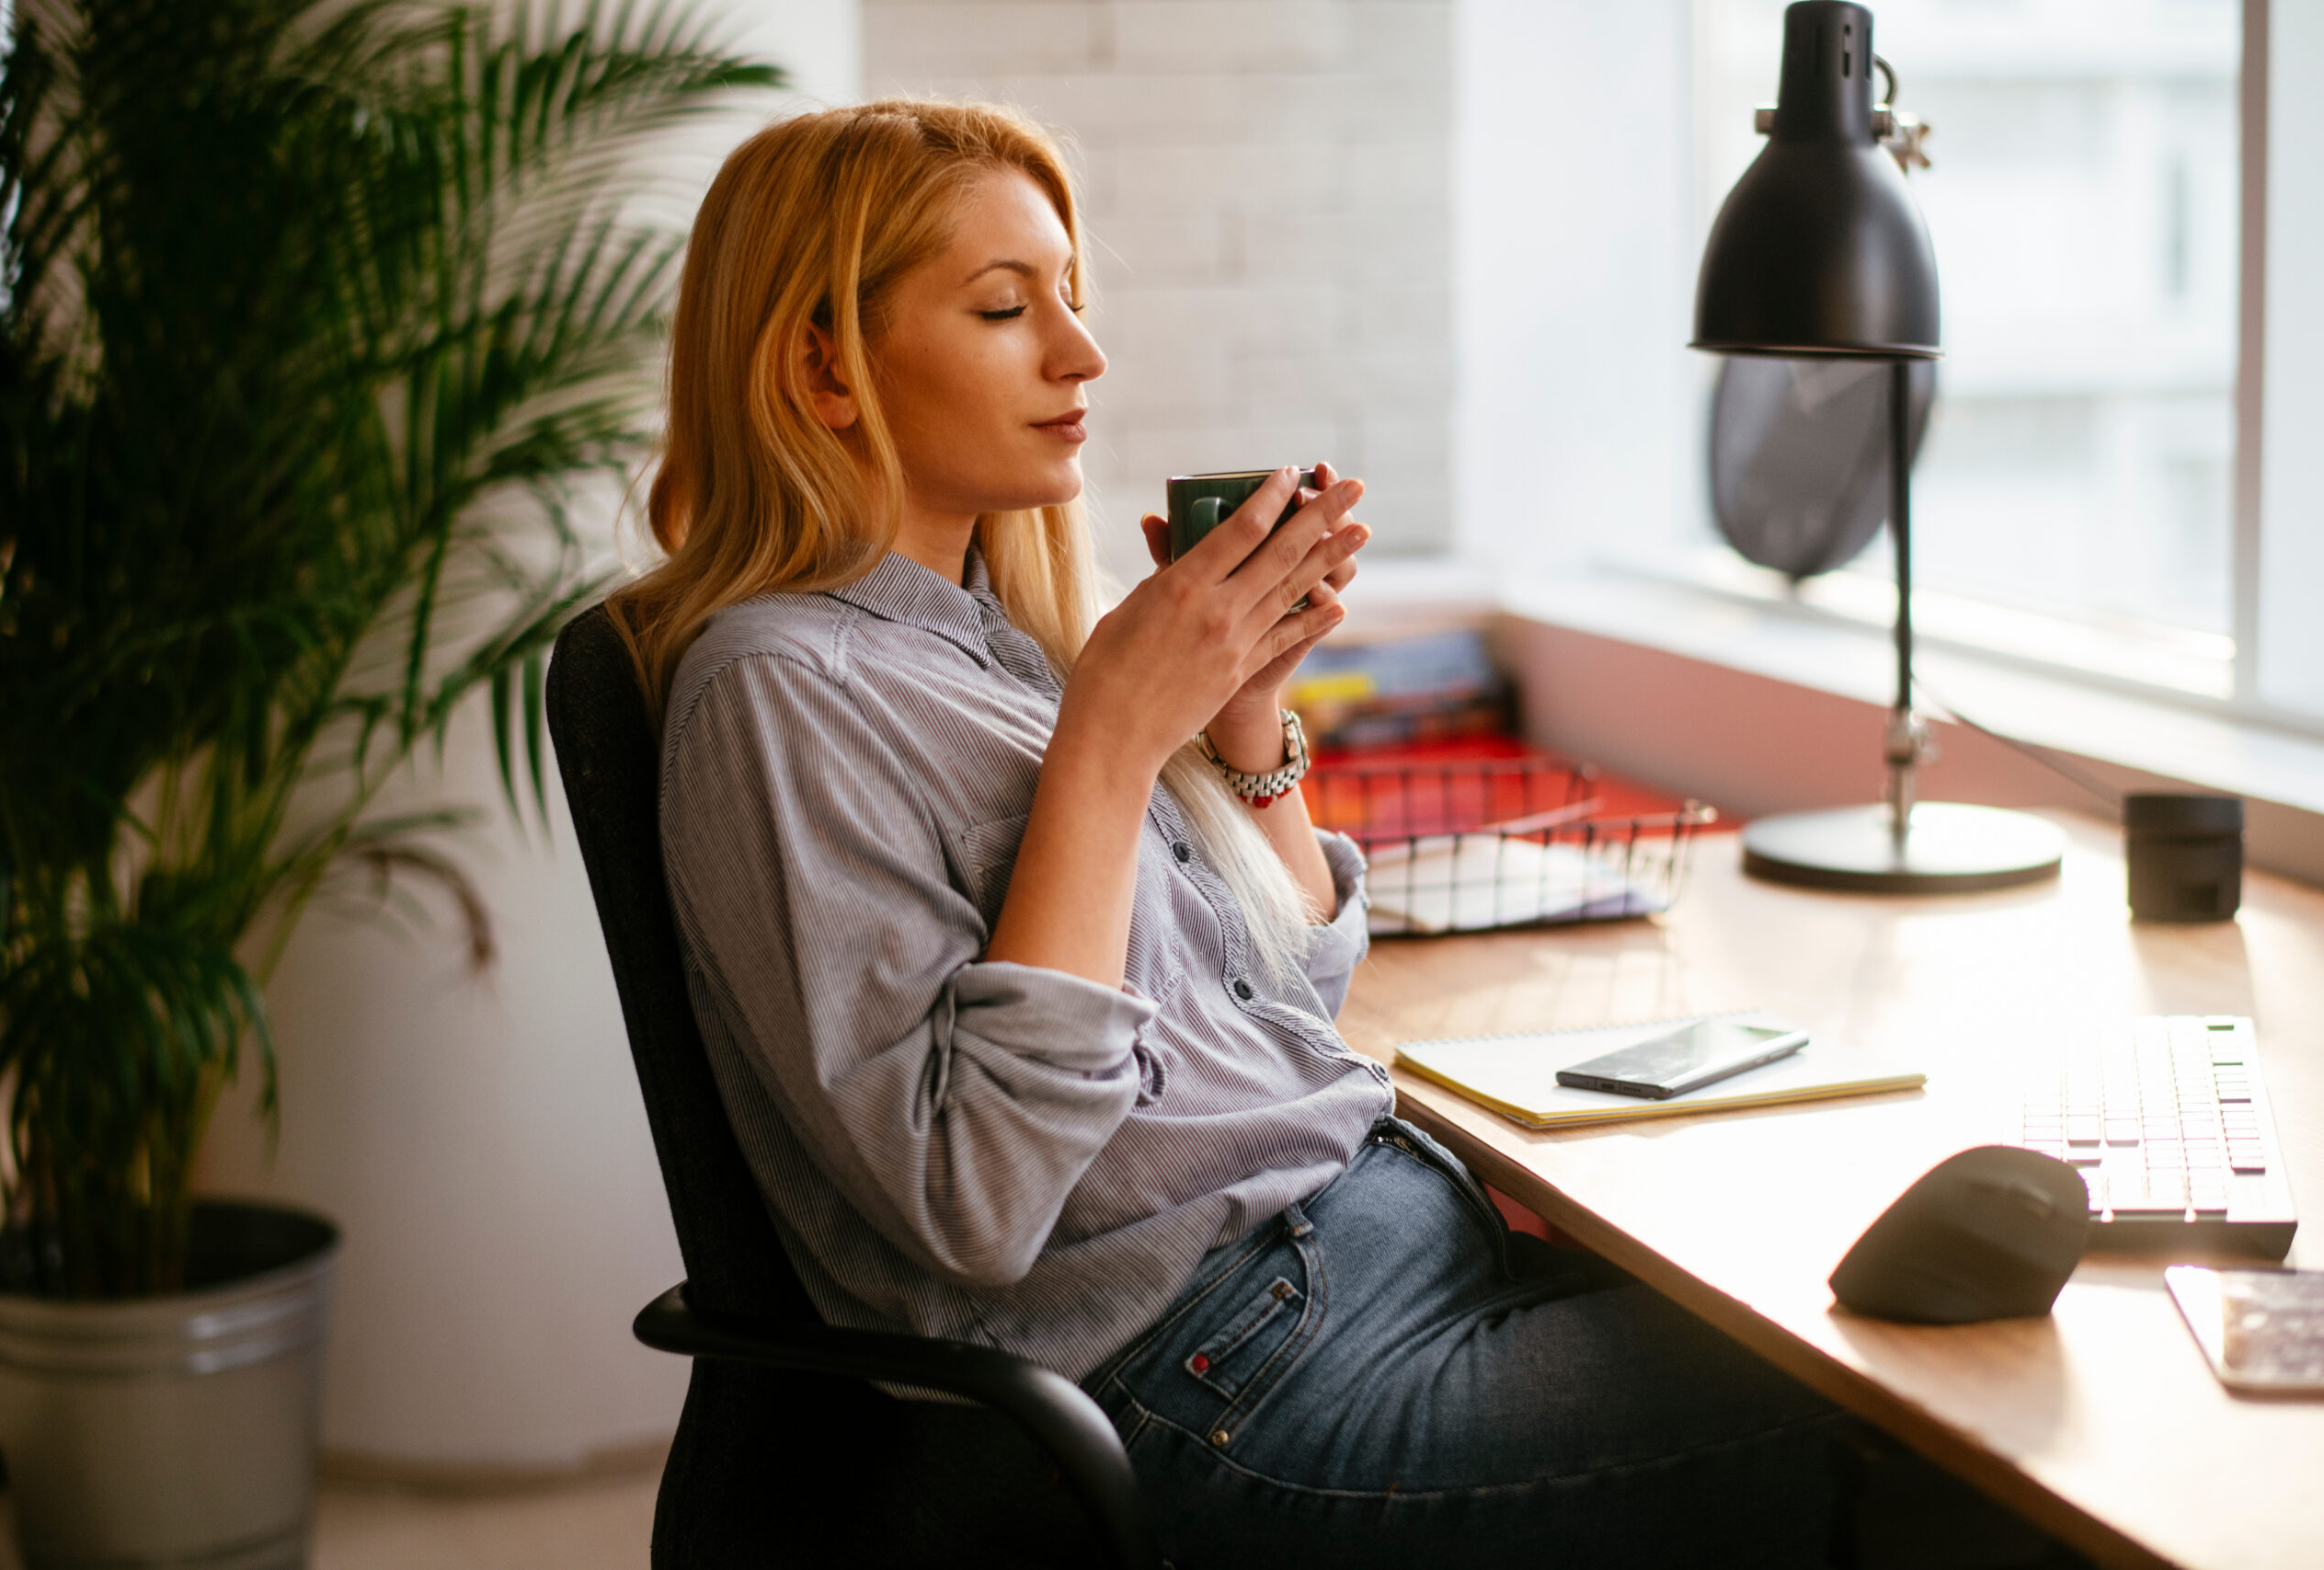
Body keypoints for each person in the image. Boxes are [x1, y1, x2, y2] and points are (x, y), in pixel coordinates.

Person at [611, 98, 1845, 1567]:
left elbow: (1281, 1009)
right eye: (1007, 307)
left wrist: (1247, 727)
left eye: (1071, 297)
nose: (1082, 354)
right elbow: (970, 1197)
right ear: (822, 364)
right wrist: (1115, 743)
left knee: (1842, 1322)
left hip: (1359, 1255)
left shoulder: (991, 654)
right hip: (1229, 1373)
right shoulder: (782, 688)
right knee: (1909, 1432)